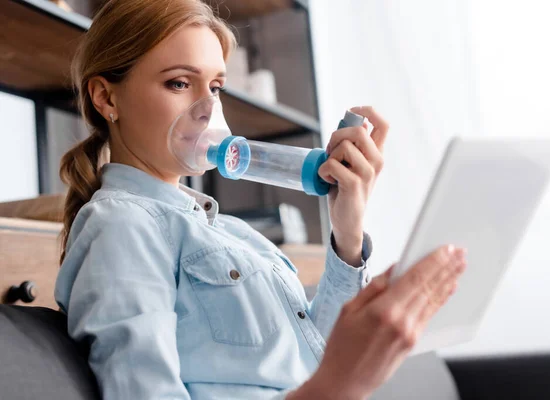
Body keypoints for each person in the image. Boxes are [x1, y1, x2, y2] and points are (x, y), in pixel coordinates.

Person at [54, 1, 467, 399]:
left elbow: (315, 356)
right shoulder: (122, 225)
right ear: (106, 98)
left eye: (215, 86)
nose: (207, 108)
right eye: (179, 83)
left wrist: (347, 233)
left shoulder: (229, 231)